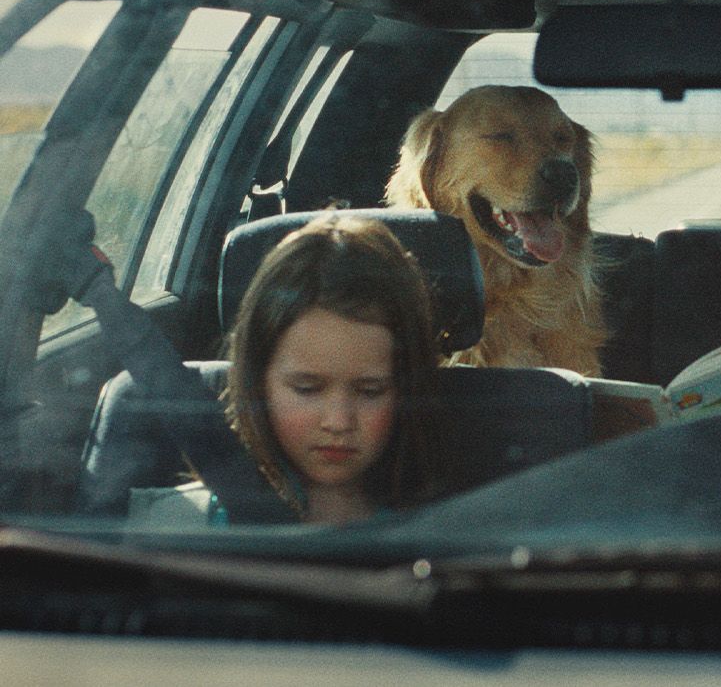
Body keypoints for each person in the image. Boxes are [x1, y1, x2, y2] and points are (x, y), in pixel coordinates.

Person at [54, 213, 454, 525]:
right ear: (259, 382)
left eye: (369, 391)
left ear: (406, 388)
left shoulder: (455, 538)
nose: (338, 421)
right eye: (307, 388)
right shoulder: (177, 526)